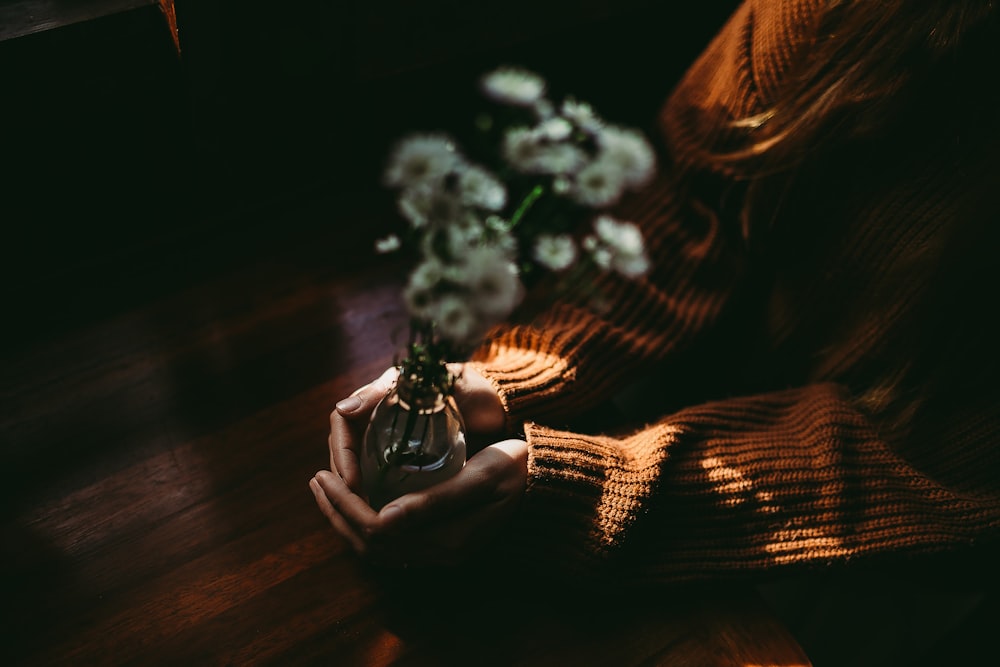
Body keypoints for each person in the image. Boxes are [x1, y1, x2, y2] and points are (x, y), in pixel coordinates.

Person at [311, 0, 999, 660]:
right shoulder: (841, 10)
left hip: (887, 544)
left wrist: (579, 494)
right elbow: (692, 199)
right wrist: (507, 376)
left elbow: (930, 451)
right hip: (695, 391)